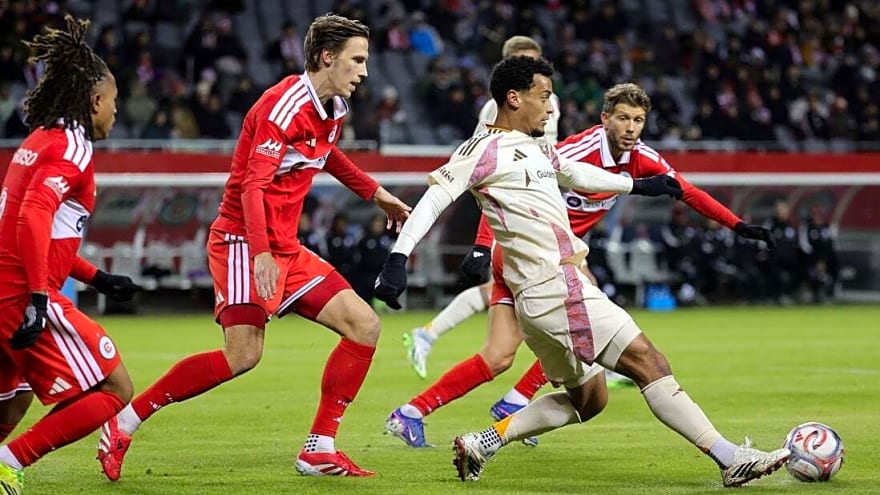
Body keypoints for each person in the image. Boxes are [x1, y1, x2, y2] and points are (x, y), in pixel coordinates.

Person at [375, 56, 789, 487]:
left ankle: (486, 440)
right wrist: (398, 258)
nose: (551, 107)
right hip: (556, 286)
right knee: (648, 361)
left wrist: (637, 185)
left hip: (538, 300)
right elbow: (435, 201)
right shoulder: (482, 150)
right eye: (544, 96)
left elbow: (571, 172)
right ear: (514, 98)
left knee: (590, 400)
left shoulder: (537, 146)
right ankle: (729, 458)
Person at [96, 14, 411, 480]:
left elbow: (326, 156)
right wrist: (261, 253)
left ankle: (319, 448)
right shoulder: (282, 107)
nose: (364, 71)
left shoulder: (334, 109)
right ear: (327, 57)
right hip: (244, 241)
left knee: (364, 325)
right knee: (242, 355)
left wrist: (375, 192)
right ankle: (123, 423)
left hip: (284, 246)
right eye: (357, 60)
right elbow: (251, 187)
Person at [0, 15, 143, 493]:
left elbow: (34, 233)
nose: (116, 113)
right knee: (115, 389)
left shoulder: (38, 141)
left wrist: (96, 278)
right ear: (95, 101)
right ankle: (9, 461)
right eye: (115, 103)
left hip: (7, 285)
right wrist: (41, 298)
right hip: (20, 294)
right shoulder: (74, 147)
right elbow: (34, 217)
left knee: (12, 403)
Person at [403, 35, 560, 380]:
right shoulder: (495, 109)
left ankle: (428, 336)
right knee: (558, 294)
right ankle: (576, 376)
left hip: (543, 207)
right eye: (521, 61)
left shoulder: (550, 103)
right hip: (511, 212)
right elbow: (483, 172)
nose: (529, 69)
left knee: (515, 299)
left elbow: (554, 160)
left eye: (534, 61)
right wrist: (480, 243)